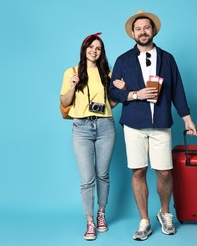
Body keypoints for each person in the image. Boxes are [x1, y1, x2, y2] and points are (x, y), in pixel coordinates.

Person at [109, 10, 197, 241]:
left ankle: (165, 213)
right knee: (138, 170)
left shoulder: (167, 59)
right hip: (133, 123)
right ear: (132, 33)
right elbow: (113, 91)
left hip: (160, 122)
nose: (142, 32)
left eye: (146, 27)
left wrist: (187, 119)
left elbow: (177, 89)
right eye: (138, 28)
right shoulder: (122, 60)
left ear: (153, 30)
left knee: (165, 172)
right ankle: (144, 220)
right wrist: (134, 94)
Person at [60, 32, 124, 241]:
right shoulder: (71, 72)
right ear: (84, 48)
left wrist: (122, 92)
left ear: (101, 52)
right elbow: (64, 101)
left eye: (98, 48)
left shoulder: (108, 73)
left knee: (103, 175)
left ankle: (101, 214)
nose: (94, 51)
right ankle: (89, 222)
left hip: (105, 126)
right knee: (87, 179)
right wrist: (72, 85)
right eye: (91, 47)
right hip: (82, 127)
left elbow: (111, 103)